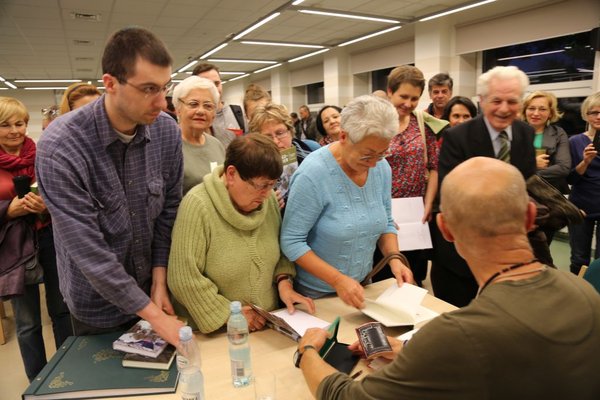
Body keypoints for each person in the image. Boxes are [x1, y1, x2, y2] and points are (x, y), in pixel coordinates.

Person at [296, 157, 600, 400]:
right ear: (531, 217)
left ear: (445, 229)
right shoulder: (584, 294)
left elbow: (347, 396)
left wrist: (308, 351)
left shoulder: (459, 335)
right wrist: (406, 350)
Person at [36, 27, 185, 345]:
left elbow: (168, 212)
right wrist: (156, 318)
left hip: (154, 291)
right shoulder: (61, 146)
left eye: (165, 87)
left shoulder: (166, 133)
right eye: (148, 89)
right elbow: (89, 251)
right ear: (110, 83)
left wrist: (159, 279)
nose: (162, 102)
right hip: (97, 310)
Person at [168, 134, 314, 333]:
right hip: (218, 334)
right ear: (231, 174)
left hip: (267, 326)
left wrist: (284, 283)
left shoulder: (268, 199)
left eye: (272, 185)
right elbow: (183, 278)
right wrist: (230, 316)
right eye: (261, 185)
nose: (267, 193)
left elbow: (281, 252)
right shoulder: (197, 205)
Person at [280, 95, 413, 309]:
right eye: (367, 155)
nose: (373, 164)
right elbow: (292, 241)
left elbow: (387, 222)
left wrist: (394, 259)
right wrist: (338, 280)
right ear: (343, 136)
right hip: (316, 296)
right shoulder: (313, 175)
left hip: (362, 287)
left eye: (381, 154)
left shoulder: (382, 167)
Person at [432, 65, 537, 307]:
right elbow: (450, 194)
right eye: (496, 100)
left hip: (509, 246)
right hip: (464, 249)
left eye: (512, 101)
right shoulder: (458, 137)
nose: (504, 108)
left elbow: (526, 180)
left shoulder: (525, 133)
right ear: (481, 100)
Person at [0, 97, 72, 381]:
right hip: (14, 247)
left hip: (49, 236)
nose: (14, 131)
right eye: (5, 125)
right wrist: (8, 210)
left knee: (61, 310)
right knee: (28, 322)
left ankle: (68, 371)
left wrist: (47, 204)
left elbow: (60, 191)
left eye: (19, 123)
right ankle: (38, 381)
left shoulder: (41, 153)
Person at [381, 65, 447, 286]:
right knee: (383, 274)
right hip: (382, 212)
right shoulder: (376, 124)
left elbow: (435, 166)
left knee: (414, 275)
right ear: (390, 91)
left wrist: (428, 203)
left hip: (415, 213)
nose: (408, 104)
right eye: (403, 96)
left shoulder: (422, 123)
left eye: (414, 98)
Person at [249, 103, 313, 208]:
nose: (275, 141)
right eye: (267, 137)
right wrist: (263, 206)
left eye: (280, 133)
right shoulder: (251, 167)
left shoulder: (309, 157)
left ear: (290, 132)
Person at [173, 76, 225, 195]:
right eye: (193, 104)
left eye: (208, 106)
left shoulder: (216, 144)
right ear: (178, 109)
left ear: (214, 113)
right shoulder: (169, 146)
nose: (201, 111)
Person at [567, 91, 600, 275]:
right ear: (586, 115)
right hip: (580, 206)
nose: (598, 116)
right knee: (579, 258)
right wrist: (586, 161)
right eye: (594, 112)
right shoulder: (575, 141)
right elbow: (571, 178)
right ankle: (578, 295)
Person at [522, 91, 571, 194]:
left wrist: (525, 174)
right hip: (519, 192)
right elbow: (503, 165)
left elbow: (563, 168)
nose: (536, 113)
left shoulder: (559, 133)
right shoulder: (512, 132)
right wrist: (532, 164)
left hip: (549, 193)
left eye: (542, 109)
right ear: (525, 111)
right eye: (531, 108)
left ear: (550, 113)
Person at [193, 62, 247, 135]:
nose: (214, 89)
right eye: (208, 85)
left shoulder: (237, 113)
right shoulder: (194, 118)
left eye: (217, 84)